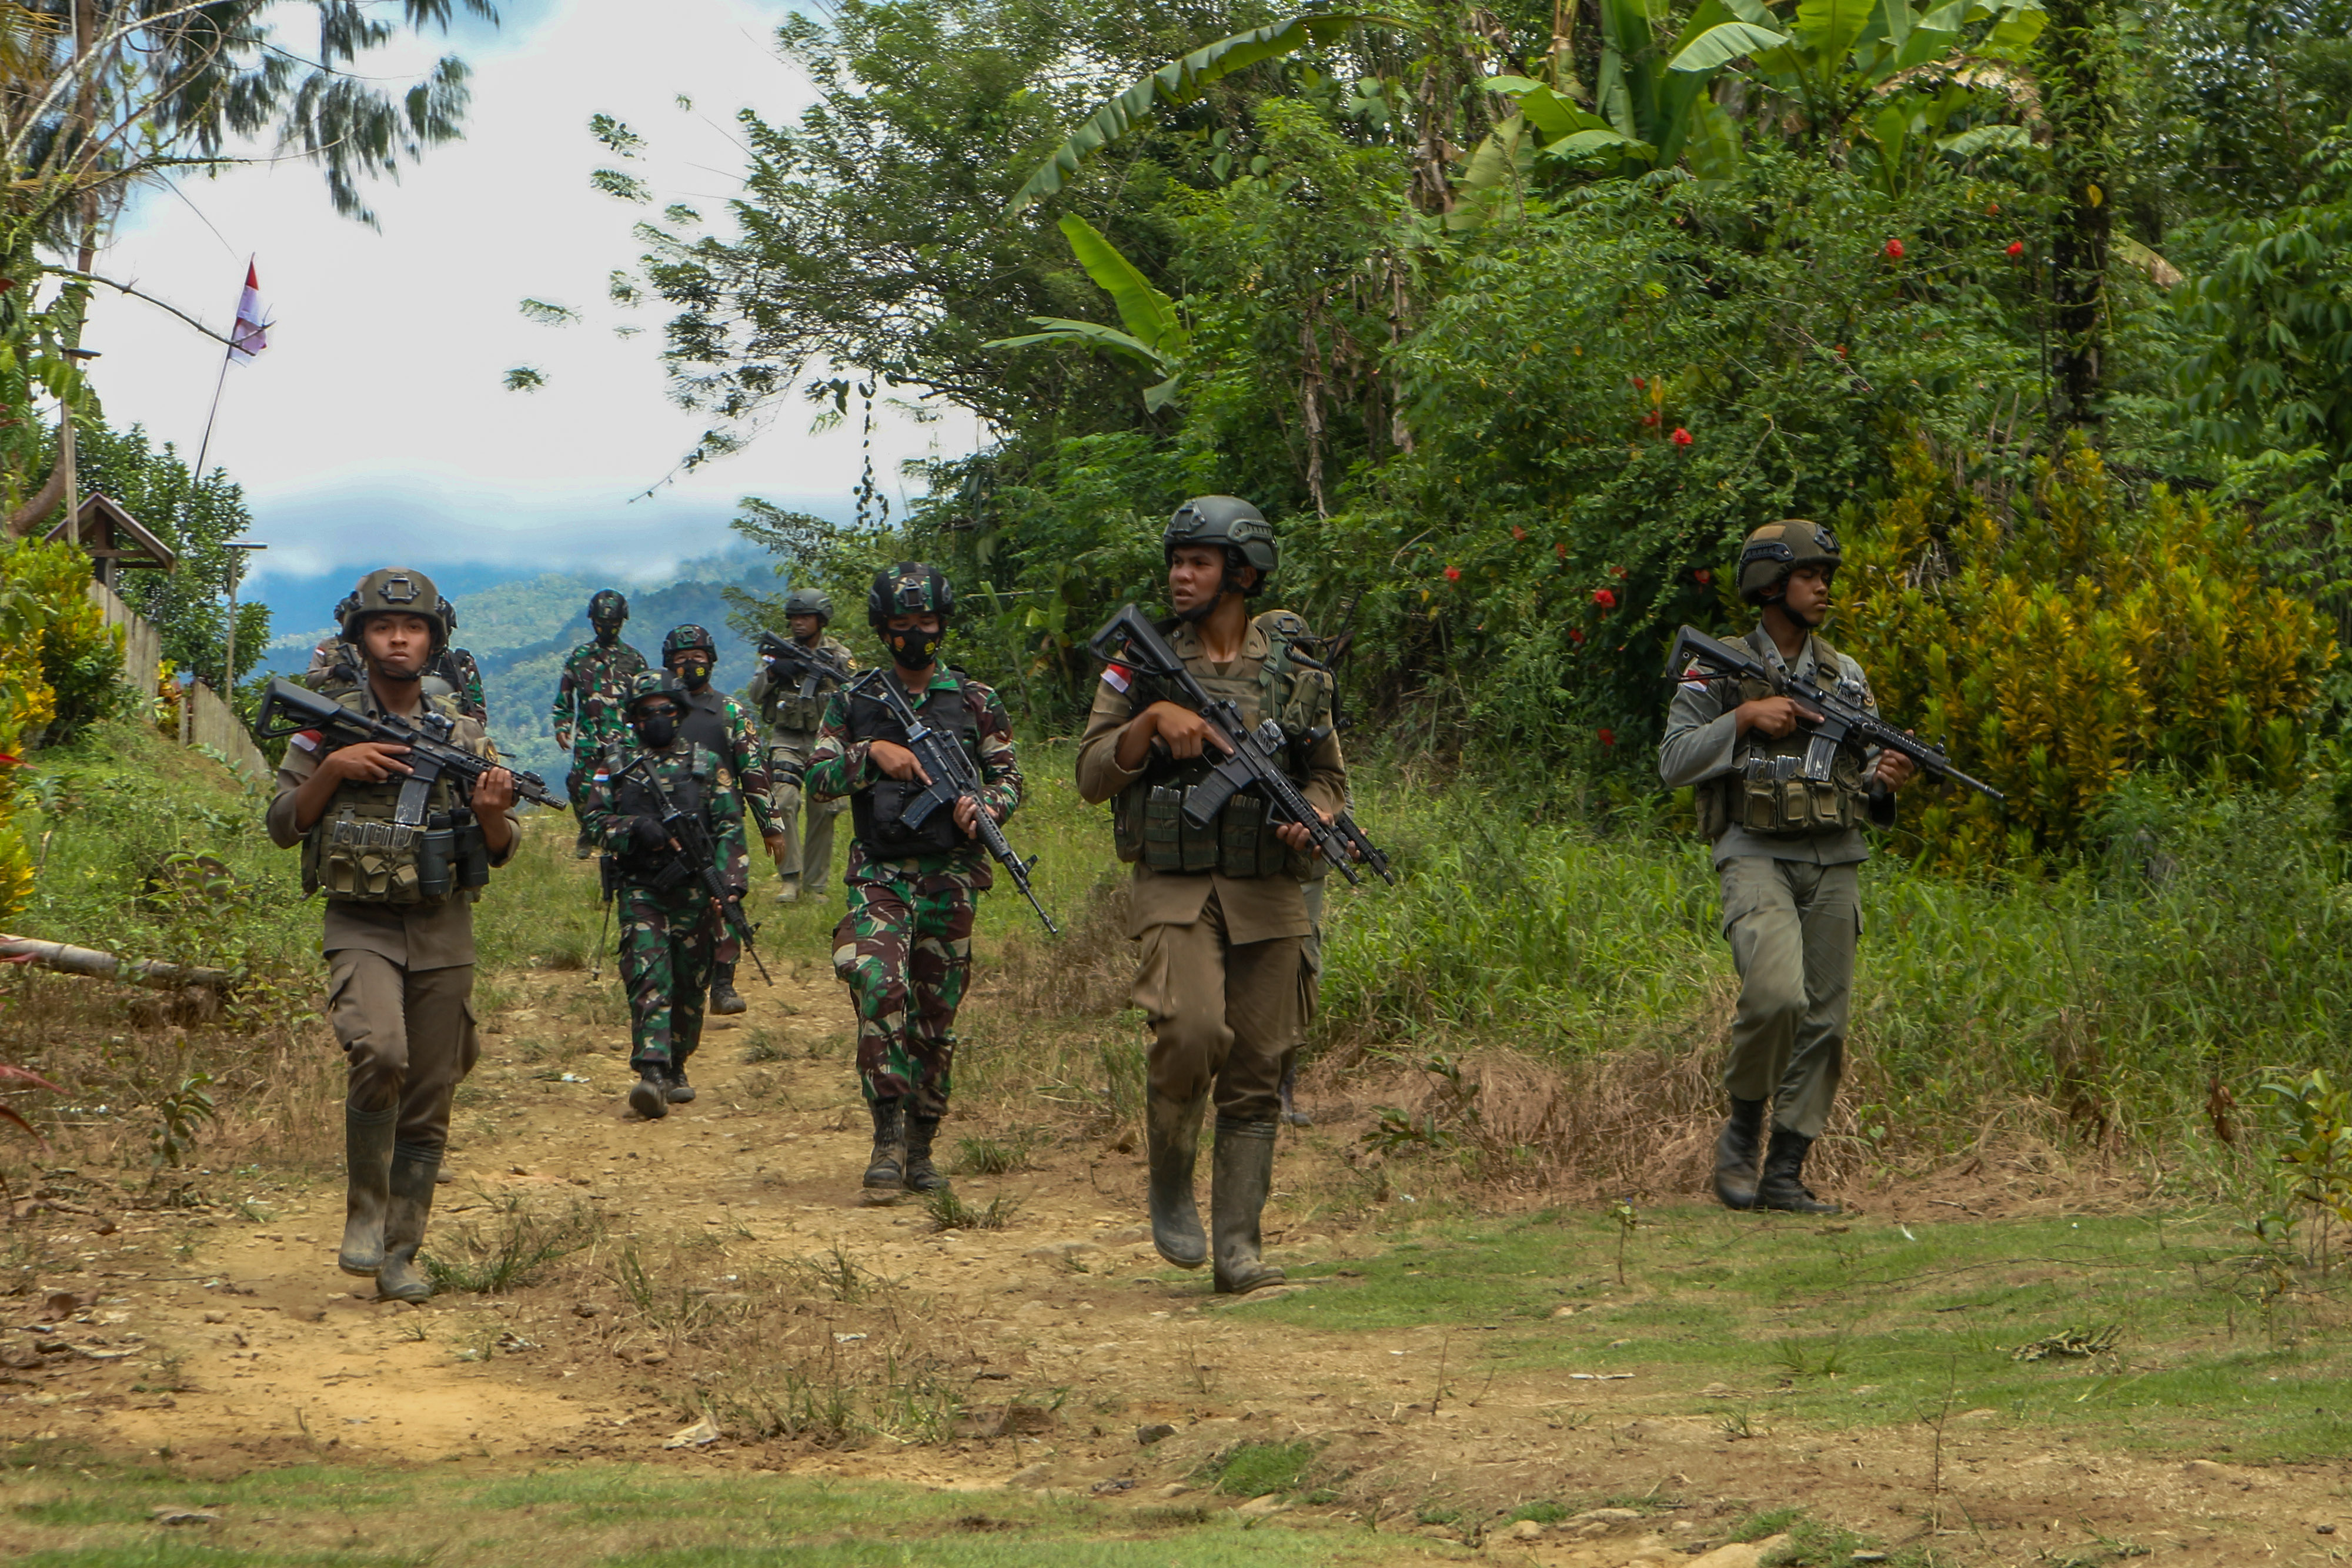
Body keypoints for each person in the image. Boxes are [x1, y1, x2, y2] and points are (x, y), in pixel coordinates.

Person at [1074, 498, 1343, 1295]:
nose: (1180, 574)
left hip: (1269, 889)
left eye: (1198, 561)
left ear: (1243, 571)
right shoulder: (1138, 662)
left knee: (1261, 1063)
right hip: (1178, 884)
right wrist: (1154, 719)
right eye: (1176, 559)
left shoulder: (1296, 669)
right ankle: (1168, 1187)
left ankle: (1238, 1249)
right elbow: (1091, 775)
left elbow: (1330, 779)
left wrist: (1321, 818)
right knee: (1191, 1031)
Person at [265, 567, 519, 1304]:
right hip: (361, 922)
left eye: (412, 629)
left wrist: (495, 809)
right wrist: (335, 769)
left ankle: (401, 1252)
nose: (398, 639)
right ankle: (364, 1215)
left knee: (432, 1091)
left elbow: (499, 849)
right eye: (383, 627)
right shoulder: (324, 726)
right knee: (380, 1051)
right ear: (361, 638)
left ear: (434, 642)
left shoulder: (465, 735)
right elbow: (284, 828)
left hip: (444, 928)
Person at [1658, 521, 1916, 1216]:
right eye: (1809, 575)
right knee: (1776, 995)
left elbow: (1863, 779)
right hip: (1754, 853)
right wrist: (1742, 717)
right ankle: (1742, 1134)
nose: (1823, 586)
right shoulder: (1715, 667)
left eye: (1825, 574)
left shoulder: (1846, 675)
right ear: (1769, 586)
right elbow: (1673, 760)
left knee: (1826, 1023)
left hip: (1836, 858)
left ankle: (1784, 1172)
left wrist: (1887, 780)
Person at [804, 563, 1023, 1201]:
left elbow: (1009, 776)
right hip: (879, 874)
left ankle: (923, 1144)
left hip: (949, 876)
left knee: (935, 1013)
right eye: (901, 626)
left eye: (925, 624)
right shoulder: (856, 701)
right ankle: (887, 1135)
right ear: (883, 629)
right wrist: (870, 757)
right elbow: (817, 781)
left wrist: (987, 807)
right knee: (879, 986)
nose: (915, 637)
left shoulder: (975, 701)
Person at [580, 672, 744, 1120]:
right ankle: (651, 1072)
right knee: (649, 973)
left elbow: (729, 826)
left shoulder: (707, 764)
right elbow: (594, 822)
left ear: (680, 712)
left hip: (694, 890)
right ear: (633, 717)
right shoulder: (615, 764)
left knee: (692, 982)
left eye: (666, 710)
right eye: (646, 711)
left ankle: (677, 1064)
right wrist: (634, 828)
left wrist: (729, 887)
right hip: (642, 888)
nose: (657, 718)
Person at [659, 624, 784, 1015]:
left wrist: (772, 825)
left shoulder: (729, 711)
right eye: (681, 660)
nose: (690, 665)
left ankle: (724, 983)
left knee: (726, 898)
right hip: (668, 829)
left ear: (711, 661)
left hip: (722, 825)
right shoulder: (657, 709)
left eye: (698, 658)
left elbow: (754, 771)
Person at [743, 588, 856, 904]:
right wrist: (773, 671)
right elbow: (754, 694)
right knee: (784, 800)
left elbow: (854, 695)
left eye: (805, 617)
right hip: (788, 738)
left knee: (824, 809)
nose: (798, 624)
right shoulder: (778, 653)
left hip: (826, 740)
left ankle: (816, 885)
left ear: (821, 619)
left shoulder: (839, 655)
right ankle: (790, 879)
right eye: (793, 618)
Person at [552, 590, 648, 857]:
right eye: (601, 623)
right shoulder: (579, 657)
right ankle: (588, 830)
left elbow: (646, 700)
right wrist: (562, 726)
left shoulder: (635, 660)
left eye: (613, 623)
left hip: (624, 738)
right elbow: (564, 697)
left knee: (625, 788)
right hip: (588, 737)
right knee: (580, 787)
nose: (607, 628)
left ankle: (618, 835)